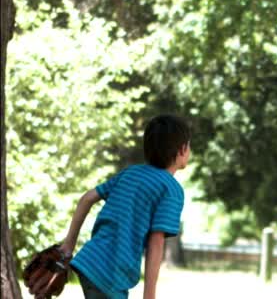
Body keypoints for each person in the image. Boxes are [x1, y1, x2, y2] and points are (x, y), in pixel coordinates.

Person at [57, 114, 191, 299]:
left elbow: (87, 198)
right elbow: (156, 242)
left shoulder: (131, 173)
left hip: (90, 260)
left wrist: (68, 245)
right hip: (110, 275)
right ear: (183, 149)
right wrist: (149, 295)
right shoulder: (171, 190)